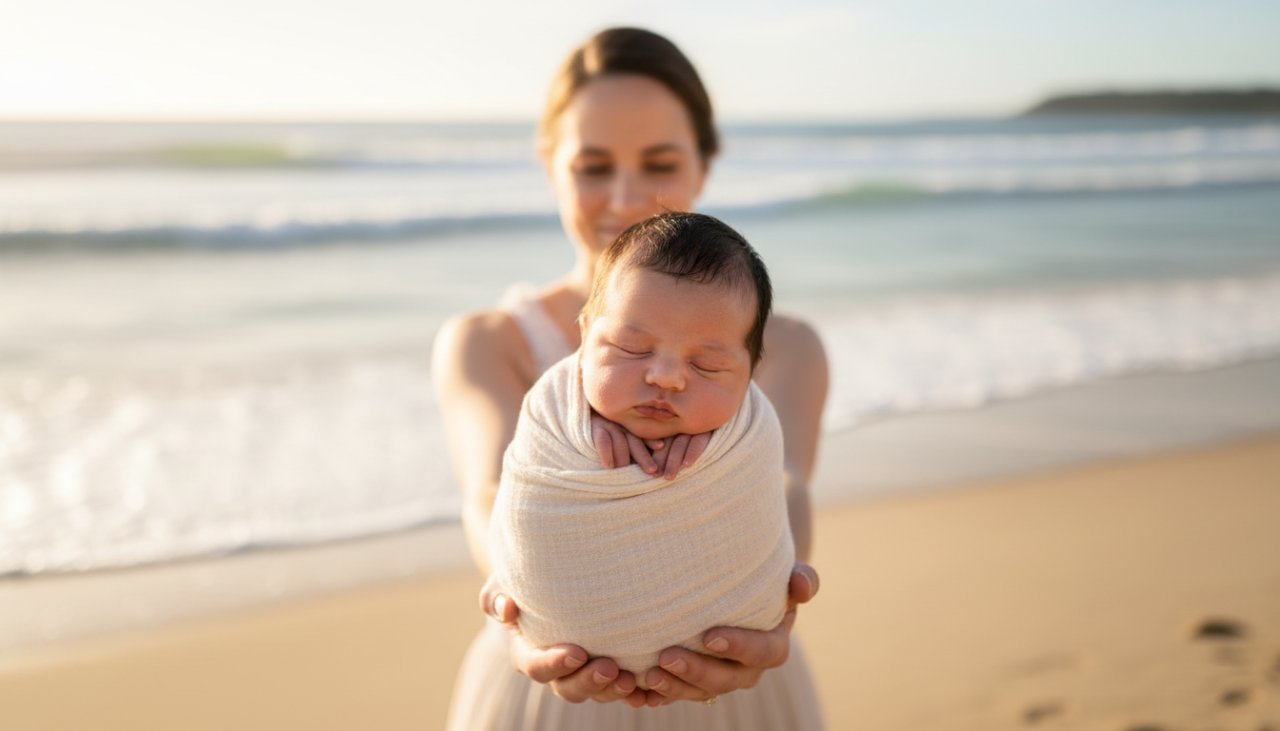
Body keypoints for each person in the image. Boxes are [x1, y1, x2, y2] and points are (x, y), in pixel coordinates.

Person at [432, 27, 828, 728]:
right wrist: (514, 604)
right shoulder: (487, 342)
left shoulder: (787, 346)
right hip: (549, 680)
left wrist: (778, 600)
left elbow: (786, 481)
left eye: (659, 161)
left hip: (734, 675)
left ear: (705, 162)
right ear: (550, 163)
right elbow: (488, 490)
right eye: (592, 166)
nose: (627, 196)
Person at [489, 212, 796, 685]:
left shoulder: (758, 413)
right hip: (552, 672)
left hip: (732, 667)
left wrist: (723, 438)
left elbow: (780, 489)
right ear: (585, 335)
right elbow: (500, 493)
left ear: (751, 370)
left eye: (708, 366)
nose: (666, 377)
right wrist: (579, 425)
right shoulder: (526, 381)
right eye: (631, 349)